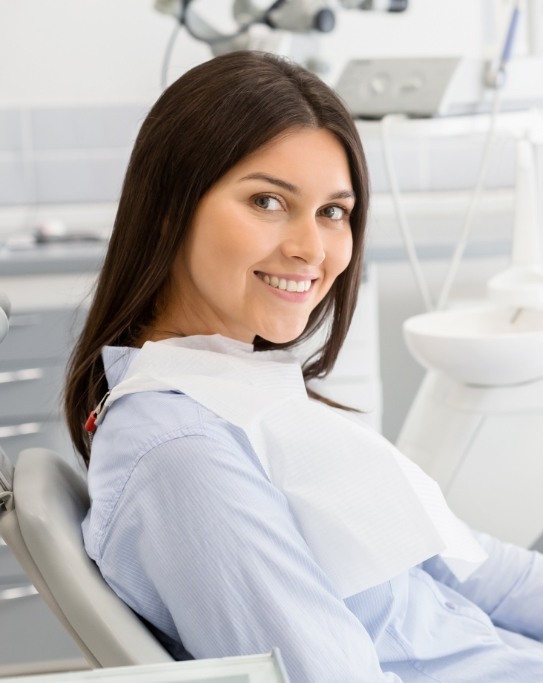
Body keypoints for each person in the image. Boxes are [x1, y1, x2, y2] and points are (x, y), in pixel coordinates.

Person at [64, 51, 543, 682]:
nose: (311, 249)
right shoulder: (181, 451)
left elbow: (469, 568)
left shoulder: (233, 387)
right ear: (168, 208)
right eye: (266, 201)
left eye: (333, 211)